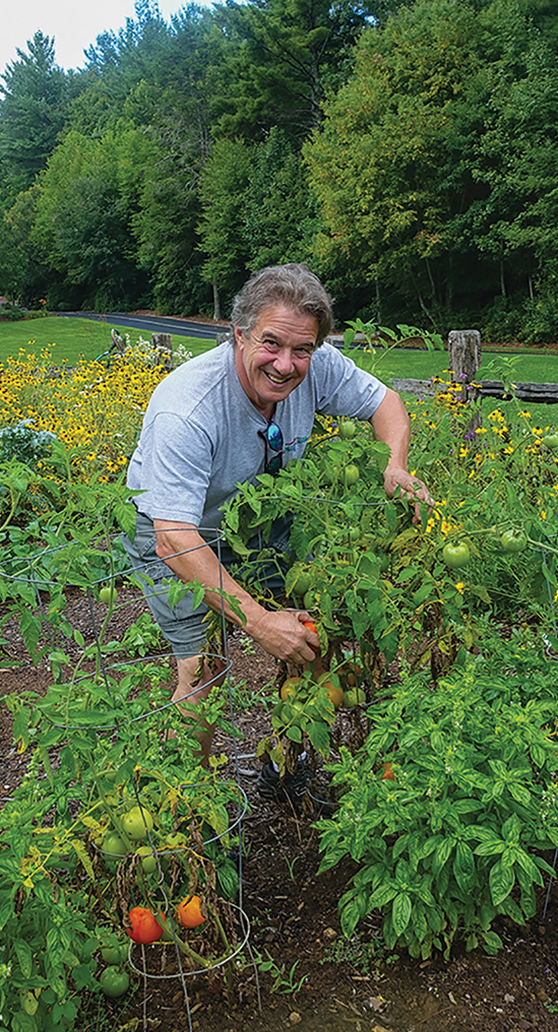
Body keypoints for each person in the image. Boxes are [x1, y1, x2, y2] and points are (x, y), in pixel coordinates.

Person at [123, 263, 429, 760]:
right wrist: (259, 620)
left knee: (312, 629)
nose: (286, 364)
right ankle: (188, 800)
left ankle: (293, 759)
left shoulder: (314, 363)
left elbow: (386, 403)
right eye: (271, 344)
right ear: (238, 335)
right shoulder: (188, 409)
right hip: (178, 531)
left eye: (302, 350)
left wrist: (396, 465)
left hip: (262, 515)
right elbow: (172, 538)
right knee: (204, 668)